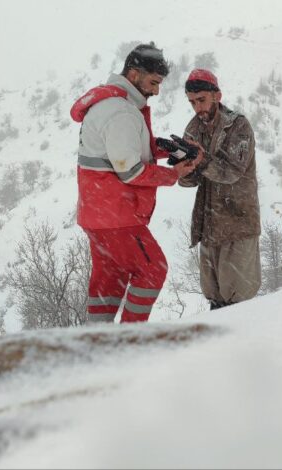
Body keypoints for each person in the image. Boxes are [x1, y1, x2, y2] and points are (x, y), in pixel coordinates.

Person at [69, 42, 201, 324]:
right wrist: (174, 174)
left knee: (110, 277)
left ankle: (97, 339)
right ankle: (130, 340)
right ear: (133, 74)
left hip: (97, 214)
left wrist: (164, 148)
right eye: (154, 82)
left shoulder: (109, 105)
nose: (156, 91)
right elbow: (130, 172)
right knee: (153, 269)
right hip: (116, 216)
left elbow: (120, 151)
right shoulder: (121, 112)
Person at [178, 68, 261, 310]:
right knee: (214, 300)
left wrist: (201, 160)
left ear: (217, 96)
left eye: (201, 100)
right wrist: (182, 169)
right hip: (209, 228)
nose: (197, 107)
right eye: (192, 102)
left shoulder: (238, 126)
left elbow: (232, 172)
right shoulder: (194, 128)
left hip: (238, 224)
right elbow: (190, 181)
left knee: (239, 301)